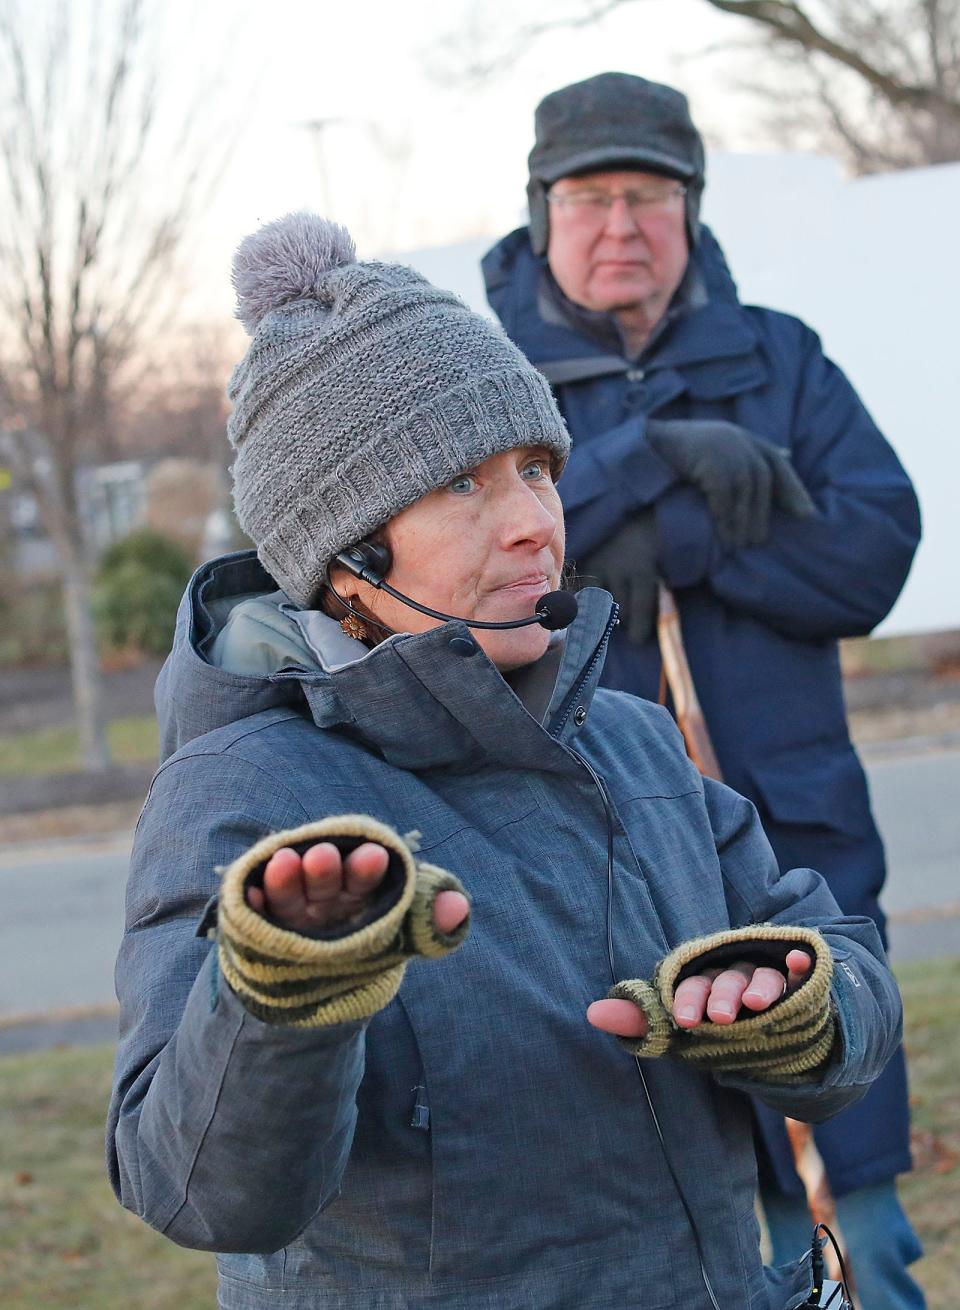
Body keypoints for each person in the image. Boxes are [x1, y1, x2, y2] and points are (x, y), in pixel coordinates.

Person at [107, 211, 903, 1310]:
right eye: (466, 484)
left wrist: (804, 1008)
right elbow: (193, 1189)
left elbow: (847, 970)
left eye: (537, 466)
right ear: (343, 557)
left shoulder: (630, 735)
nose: (537, 522)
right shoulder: (245, 788)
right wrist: (285, 994)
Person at [482, 72, 925, 1307]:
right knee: (670, 1259)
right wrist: (650, 453)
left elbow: (870, 553)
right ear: (540, 212)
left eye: (649, 193)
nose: (621, 223)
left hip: (800, 856)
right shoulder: (483, 377)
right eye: (589, 195)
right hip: (587, 881)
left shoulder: (778, 359)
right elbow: (465, 595)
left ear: (691, 207)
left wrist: (692, 542)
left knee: (862, 1244)